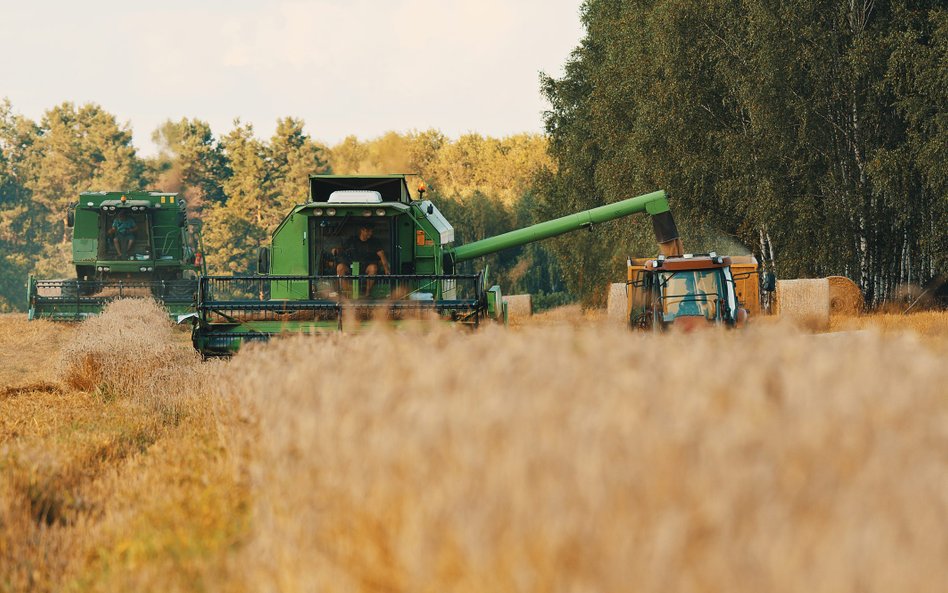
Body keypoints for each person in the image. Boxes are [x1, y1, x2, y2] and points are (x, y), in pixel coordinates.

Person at [333, 225, 390, 296]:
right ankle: (346, 294)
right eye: (368, 231)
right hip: (351, 266)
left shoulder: (374, 242)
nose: (370, 233)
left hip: (366, 267)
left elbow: (381, 254)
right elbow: (342, 249)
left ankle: (367, 294)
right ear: (362, 230)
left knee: (373, 268)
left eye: (371, 231)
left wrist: (386, 269)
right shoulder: (352, 240)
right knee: (340, 267)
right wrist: (336, 250)